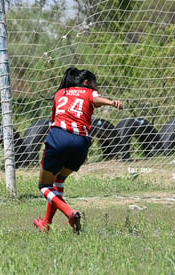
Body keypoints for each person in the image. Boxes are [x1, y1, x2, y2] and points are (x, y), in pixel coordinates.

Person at [33, 67, 123, 233]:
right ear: (87, 82)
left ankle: (70, 213)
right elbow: (96, 99)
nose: (96, 88)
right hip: (81, 142)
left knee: (44, 185)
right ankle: (46, 224)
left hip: (59, 137)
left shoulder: (60, 93)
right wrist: (111, 102)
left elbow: (54, 118)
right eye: (95, 84)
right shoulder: (89, 92)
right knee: (58, 181)